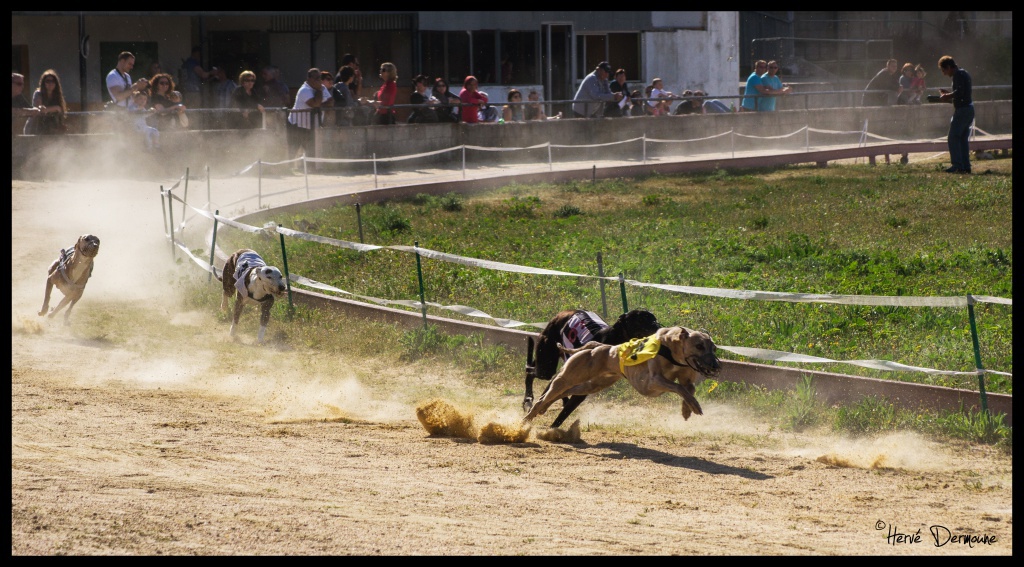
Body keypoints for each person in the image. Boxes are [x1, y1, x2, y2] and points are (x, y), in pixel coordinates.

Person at [286, 67, 332, 159]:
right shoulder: (304, 90)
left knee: (311, 149)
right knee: (293, 149)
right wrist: (319, 91)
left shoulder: (322, 87)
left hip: (310, 125)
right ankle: (288, 169)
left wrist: (319, 104)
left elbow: (331, 101)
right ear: (309, 79)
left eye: (320, 77)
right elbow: (315, 104)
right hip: (297, 125)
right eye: (316, 78)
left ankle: (311, 169)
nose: (319, 80)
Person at [937, 55, 973, 174]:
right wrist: (950, 95)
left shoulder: (958, 74)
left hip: (962, 110)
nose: (944, 74)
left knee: (953, 137)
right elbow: (961, 93)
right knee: (962, 139)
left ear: (948, 67)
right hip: (968, 109)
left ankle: (957, 165)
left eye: (944, 70)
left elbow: (960, 92)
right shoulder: (963, 73)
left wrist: (948, 95)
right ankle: (965, 166)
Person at [25, 69, 67, 135]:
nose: (50, 83)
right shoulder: (38, 93)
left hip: (51, 129)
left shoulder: (57, 96)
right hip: (35, 128)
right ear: (43, 83)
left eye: (53, 81)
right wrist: (56, 108)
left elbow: (60, 111)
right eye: (48, 81)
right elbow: (40, 110)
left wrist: (55, 108)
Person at [180, 46, 212, 110]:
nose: (199, 57)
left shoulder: (186, 63)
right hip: (193, 92)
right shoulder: (192, 62)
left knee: (188, 110)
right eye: (199, 54)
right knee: (195, 110)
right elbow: (203, 74)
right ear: (196, 53)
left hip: (186, 91)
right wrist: (213, 72)